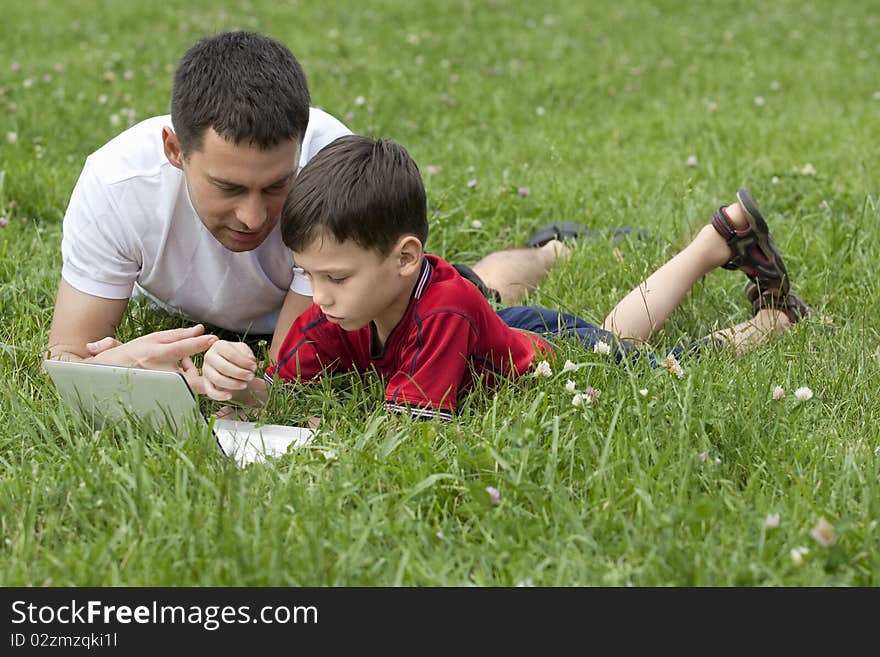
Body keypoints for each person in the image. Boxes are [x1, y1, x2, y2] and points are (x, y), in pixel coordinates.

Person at [45, 31, 568, 390]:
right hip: (208, 310)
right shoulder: (116, 185)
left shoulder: (328, 164)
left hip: (344, 309)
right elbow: (66, 357)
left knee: (479, 292)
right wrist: (128, 365)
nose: (253, 217)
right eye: (228, 187)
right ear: (175, 151)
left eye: (276, 186)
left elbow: (286, 367)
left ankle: (549, 251)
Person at [199, 135, 809, 418]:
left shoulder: (442, 310)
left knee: (658, 363)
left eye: (332, 277)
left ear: (404, 258)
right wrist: (241, 385)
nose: (317, 296)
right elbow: (289, 390)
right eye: (308, 276)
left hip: (548, 350)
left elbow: (409, 427)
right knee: (615, 336)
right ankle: (707, 244)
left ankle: (765, 312)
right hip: (496, 322)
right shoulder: (342, 306)